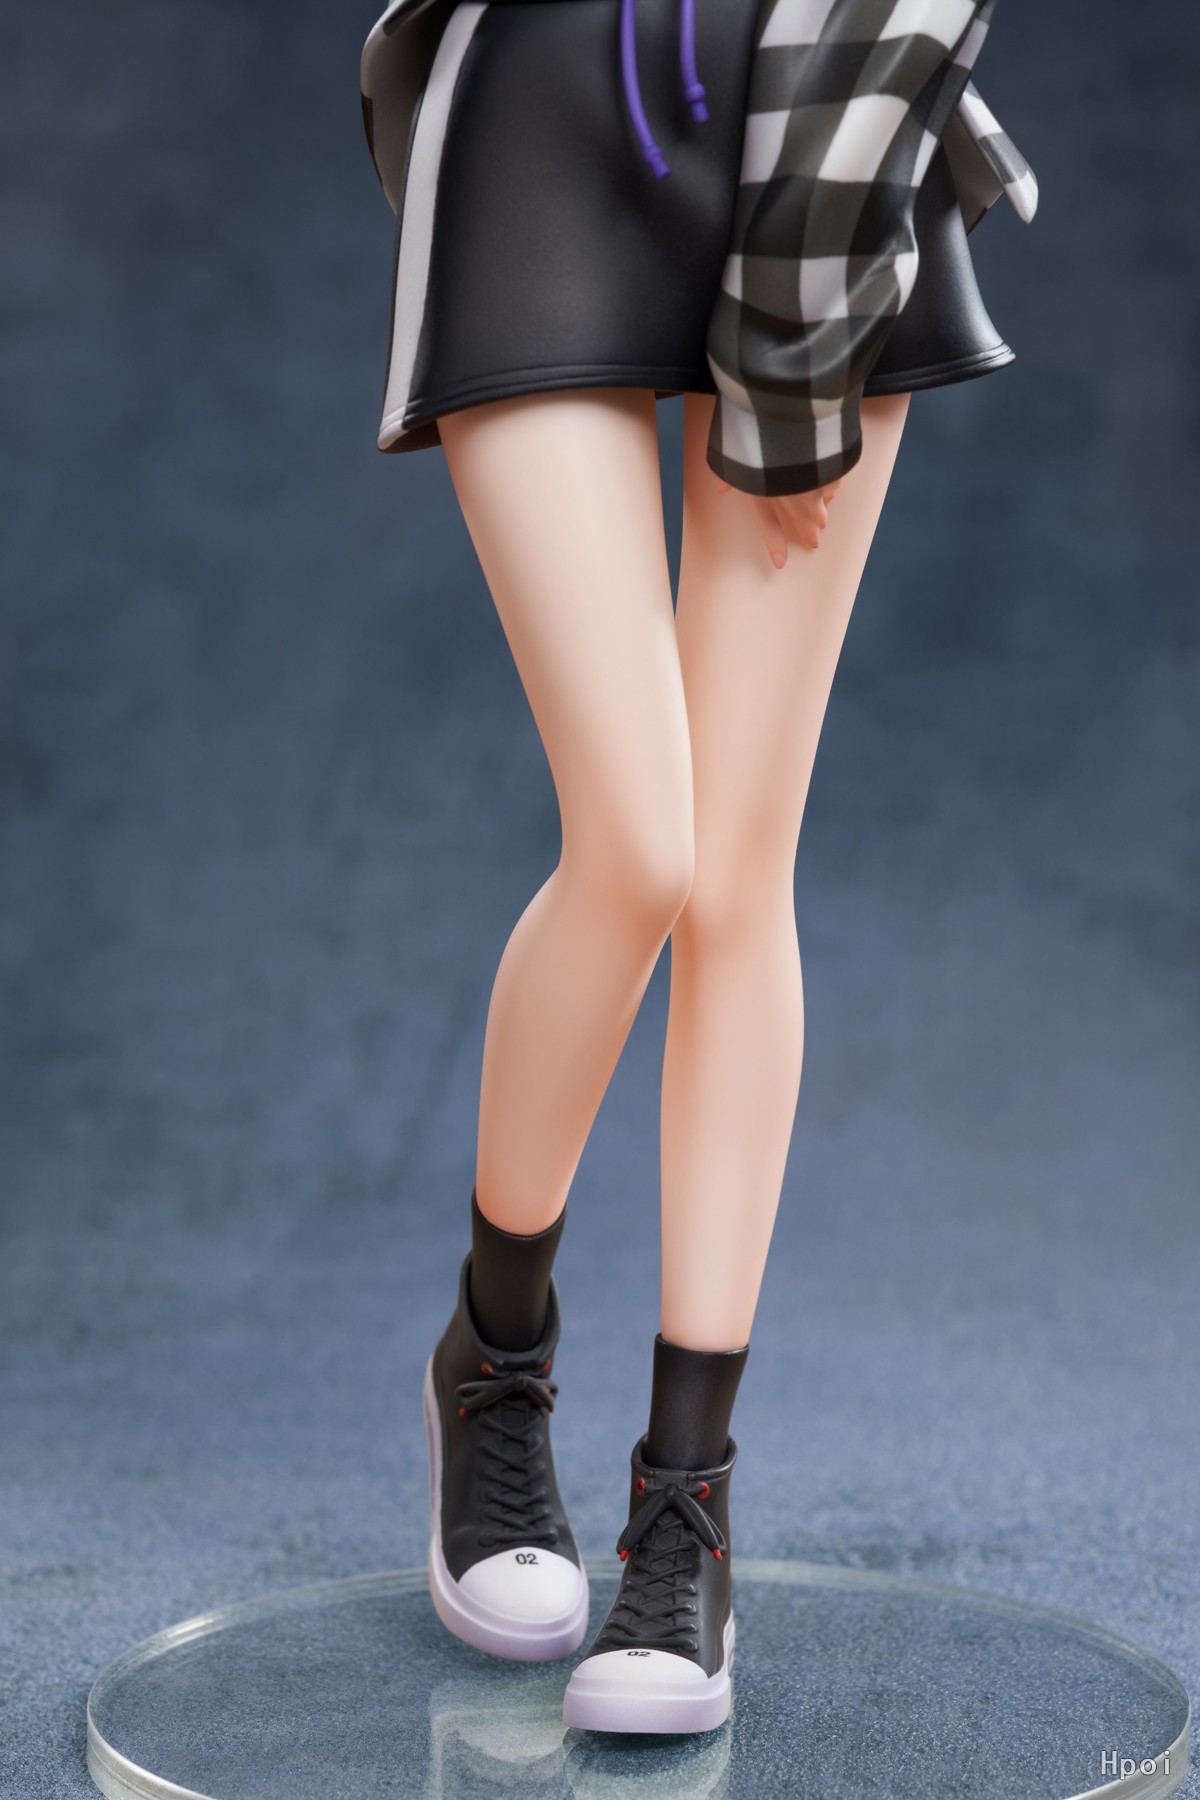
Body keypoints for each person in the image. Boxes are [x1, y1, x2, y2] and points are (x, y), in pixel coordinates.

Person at [359, 0, 1037, 1736]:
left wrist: (808, 300)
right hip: (549, 105)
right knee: (639, 845)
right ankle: (497, 1356)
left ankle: (686, 1509)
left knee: (735, 869)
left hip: (834, 123)